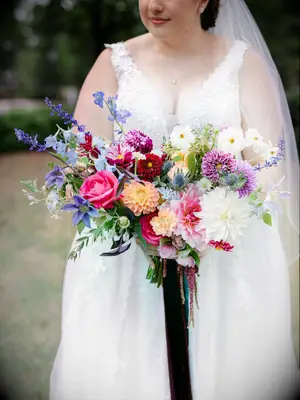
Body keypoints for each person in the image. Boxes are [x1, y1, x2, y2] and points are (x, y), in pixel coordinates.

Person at [50, 1, 299, 399]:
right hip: (127, 257)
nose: (153, 5)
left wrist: (209, 211)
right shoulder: (113, 63)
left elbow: (270, 164)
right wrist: (131, 206)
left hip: (222, 255)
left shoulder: (242, 64)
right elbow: (81, 163)